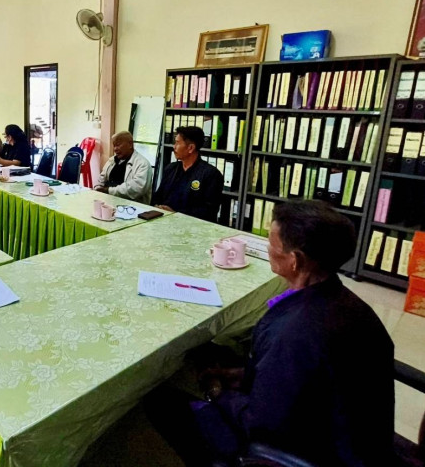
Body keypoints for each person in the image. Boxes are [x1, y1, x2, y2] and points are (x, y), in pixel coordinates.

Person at [147, 200, 394, 466]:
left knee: (160, 400)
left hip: (308, 451)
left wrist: (217, 393)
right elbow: (305, 375)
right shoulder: (352, 306)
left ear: (295, 260)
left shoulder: (292, 334)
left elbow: (259, 423)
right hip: (353, 433)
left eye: (271, 243)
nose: (267, 247)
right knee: (218, 352)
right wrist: (244, 375)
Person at [152, 125, 223, 222]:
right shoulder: (170, 168)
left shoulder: (211, 174)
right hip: (164, 221)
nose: (174, 147)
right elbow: (158, 196)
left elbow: (209, 211)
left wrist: (176, 214)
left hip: (193, 225)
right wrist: (158, 207)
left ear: (191, 148)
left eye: (177, 143)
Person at [94, 131, 153, 204]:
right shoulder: (112, 160)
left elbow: (137, 188)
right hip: (108, 202)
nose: (115, 149)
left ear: (130, 144)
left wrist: (108, 190)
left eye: (118, 145)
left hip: (131, 206)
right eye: (114, 146)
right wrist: (97, 188)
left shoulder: (142, 164)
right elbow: (101, 179)